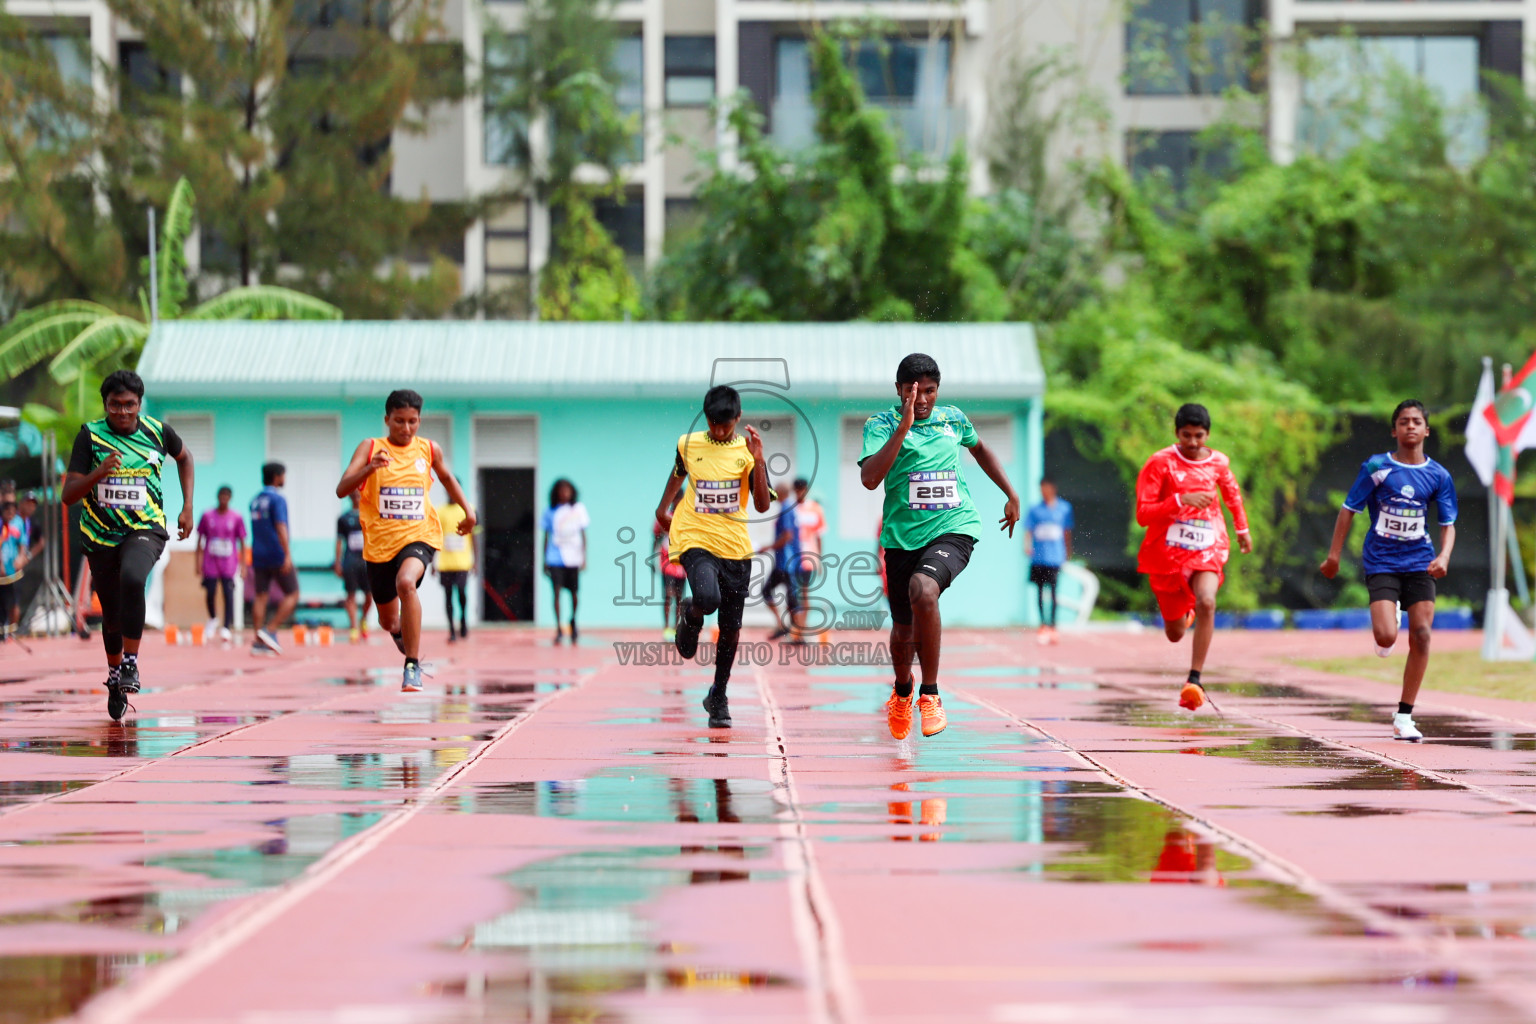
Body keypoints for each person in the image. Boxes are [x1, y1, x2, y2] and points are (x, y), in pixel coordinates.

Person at [860, 353, 1021, 740]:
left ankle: (929, 694)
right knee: (902, 630)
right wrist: (904, 427)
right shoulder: (880, 425)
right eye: (913, 392)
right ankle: (902, 691)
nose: (922, 400)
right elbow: (869, 478)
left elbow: (980, 449)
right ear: (899, 390)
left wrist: (1011, 493)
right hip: (901, 539)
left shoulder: (954, 419)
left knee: (924, 590)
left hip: (954, 527)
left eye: (930, 391)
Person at [61, 370, 194, 721]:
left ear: (139, 403)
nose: (122, 412)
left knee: (134, 578)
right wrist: (97, 474)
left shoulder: (157, 431)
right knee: (111, 613)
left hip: (144, 528)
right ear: (105, 404)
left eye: (129, 405)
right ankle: (115, 674)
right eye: (115, 405)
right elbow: (68, 495)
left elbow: (185, 458)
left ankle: (131, 663)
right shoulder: (90, 436)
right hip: (100, 535)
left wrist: (187, 506)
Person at [1320, 399, 1456, 742]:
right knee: (1385, 638)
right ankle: (1390, 616)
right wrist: (1334, 556)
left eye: (1416, 421)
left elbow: (1448, 522)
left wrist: (1444, 557)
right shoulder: (1377, 467)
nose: (1410, 426)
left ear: (1427, 430)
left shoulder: (1438, 475)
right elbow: (1348, 509)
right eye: (1404, 422)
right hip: (1382, 561)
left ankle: (1404, 716)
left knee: (1422, 634)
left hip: (1420, 561)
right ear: (1394, 430)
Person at [335, 389, 475, 692]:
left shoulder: (428, 449)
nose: (406, 428)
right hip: (379, 546)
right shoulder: (370, 448)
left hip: (419, 536)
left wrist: (469, 510)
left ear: (419, 421)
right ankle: (399, 629)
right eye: (399, 421)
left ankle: (412, 666)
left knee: (406, 583)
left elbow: (448, 478)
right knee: (387, 621)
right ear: (387, 419)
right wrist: (369, 469)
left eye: (413, 422)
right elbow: (342, 489)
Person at [654, 385, 771, 728]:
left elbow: (763, 504)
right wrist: (663, 507)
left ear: (738, 418)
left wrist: (759, 459)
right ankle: (690, 616)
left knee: (730, 630)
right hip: (695, 537)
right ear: (706, 418)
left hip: (735, 547)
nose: (720, 431)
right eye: (714, 424)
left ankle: (718, 695)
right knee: (706, 596)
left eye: (726, 425)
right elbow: (679, 473)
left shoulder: (747, 451)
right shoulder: (688, 445)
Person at [1135, 403, 1252, 713]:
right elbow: (1143, 514)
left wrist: (1242, 529)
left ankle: (1194, 679)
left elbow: (1233, 496)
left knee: (1208, 602)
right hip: (1167, 555)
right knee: (1174, 634)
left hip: (1207, 546)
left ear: (1207, 434)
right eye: (1186, 436)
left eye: (1199, 436)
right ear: (1177, 434)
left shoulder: (1218, 463)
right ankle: (1185, 614)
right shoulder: (1159, 464)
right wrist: (1179, 500)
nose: (1193, 443)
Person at [249, 462, 298, 654]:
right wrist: (287, 554)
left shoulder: (254, 501)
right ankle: (270, 631)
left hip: (258, 554)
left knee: (261, 596)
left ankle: (258, 639)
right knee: (292, 593)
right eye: (283, 475)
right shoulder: (278, 499)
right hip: (276, 553)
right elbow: (280, 527)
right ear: (277, 477)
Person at [1024, 478, 1074, 644]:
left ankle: (1053, 625)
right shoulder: (1035, 510)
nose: (1043, 491)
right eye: (1041, 489)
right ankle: (1042, 624)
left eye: (1045, 488)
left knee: (1053, 591)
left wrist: (1067, 551)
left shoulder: (1064, 508)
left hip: (1054, 557)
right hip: (1039, 557)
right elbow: (1028, 530)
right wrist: (1027, 546)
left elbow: (1067, 532)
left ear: (1053, 488)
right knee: (1039, 591)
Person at [196, 485, 246, 643]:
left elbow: (242, 541)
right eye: (221, 496)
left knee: (228, 593)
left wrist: (243, 565)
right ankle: (212, 618)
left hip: (228, 561)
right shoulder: (207, 515)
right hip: (210, 560)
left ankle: (226, 627)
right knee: (210, 591)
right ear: (217, 497)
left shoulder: (236, 517)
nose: (223, 499)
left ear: (230, 498)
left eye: (226, 496)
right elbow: (199, 539)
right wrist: (197, 561)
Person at [542, 479, 588, 645]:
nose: (564, 493)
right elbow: (546, 536)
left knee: (574, 594)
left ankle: (573, 620)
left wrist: (584, 557)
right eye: (561, 490)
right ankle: (559, 628)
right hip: (555, 557)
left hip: (573, 557)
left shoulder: (578, 509)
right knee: (556, 593)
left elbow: (583, 535)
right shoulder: (550, 511)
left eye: (567, 490)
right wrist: (544, 559)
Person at [760, 479, 804, 642]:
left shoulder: (787, 509)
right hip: (784, 562)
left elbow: (787, 536)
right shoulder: (788, 508)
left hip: (787, 563)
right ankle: (782, 626)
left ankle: (798, 635)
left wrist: (768, 547)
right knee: (769, 592)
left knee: (792, 598)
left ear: (781, 493)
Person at [334, 492, 372, 643]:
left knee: (370, 596)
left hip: (367, 561)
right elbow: (339, 541)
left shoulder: (369, 515)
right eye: (354, 495)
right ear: (350, 497)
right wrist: (337, 562)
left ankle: (363, 619)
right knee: (351, 595)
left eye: (359, 494)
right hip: (350, 561)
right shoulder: (343, 518)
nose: (356, 497)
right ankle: (354, 627)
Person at [436, 497, 474, 642]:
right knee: (448, 596)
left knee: (461, 593)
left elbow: (474, 534)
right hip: (445, 563)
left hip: (462, 562)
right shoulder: (441, 511)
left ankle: (463, 620)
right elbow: (436, 535)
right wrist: (433, 561)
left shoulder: (468, 509)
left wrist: (474, 560)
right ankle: (451, 629)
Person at [653, 494, 687, 641]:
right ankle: (666, 626)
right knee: (668, 593)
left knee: (679, 596)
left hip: (683, 561)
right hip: (667, 560)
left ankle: (676, 627)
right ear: (672, 500)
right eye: (676, 499)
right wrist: (652, 560)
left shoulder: (687, 517)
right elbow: (656, 538)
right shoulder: (664, 517)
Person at [0, 501, 24, 642]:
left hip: (13, 571)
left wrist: (21, 558)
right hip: (2, 572)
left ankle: (13, 631)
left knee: (14, 601)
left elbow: (23, 543)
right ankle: (3, 631)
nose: (10, 513)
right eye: (7, 511)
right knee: (2, 602)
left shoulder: (18, 524)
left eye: (12, 511)